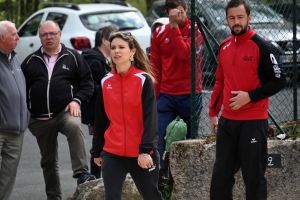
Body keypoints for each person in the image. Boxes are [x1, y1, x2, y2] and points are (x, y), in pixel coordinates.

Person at [208, 0, 286, 199]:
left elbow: (279, 79)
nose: (236, 22)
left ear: (249, 18)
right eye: (232, 18)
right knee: (220, 176)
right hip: (227, 123)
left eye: (240, 17)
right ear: (226, 19)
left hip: (253, 122)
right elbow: (219, 81)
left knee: (254, 176)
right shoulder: (224, 46)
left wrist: (250, 96)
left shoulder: (262, 46)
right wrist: (213, 112)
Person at [21, 20, 96, 199]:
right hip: (39, 118)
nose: (48, 37)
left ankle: (82, 173)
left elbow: (88, 84)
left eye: (52, 33)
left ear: (60, 34)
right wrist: (26, 113)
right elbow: (20, 90)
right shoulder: (31, 61)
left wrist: (77, 100)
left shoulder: (74, 57)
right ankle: (54, 196)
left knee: (73, 125)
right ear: (40, 38)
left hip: (65, 112)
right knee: (48, 160)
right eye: (44, 34)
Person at [90, 31, 163, 200]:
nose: (116, 51)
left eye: (121, 47)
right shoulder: (105, 81)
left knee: (151, 196)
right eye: (113, 47)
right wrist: (96, 150)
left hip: (140, 152)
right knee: (112, 196)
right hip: (112, 153)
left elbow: (151, 118)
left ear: (132, 52)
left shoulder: (143, 80)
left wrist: (146, 150)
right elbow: (100, 119)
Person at [150, 0, 204, 165]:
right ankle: (160, 178)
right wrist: (155, 97)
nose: (178, 16)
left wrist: (174, 28)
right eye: (173, 13)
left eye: (180, 11)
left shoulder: (196, 30)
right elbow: (155, 67)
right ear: (168, 13)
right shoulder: (159, 33)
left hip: (191, 94)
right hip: (166, 95)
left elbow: (184, 56)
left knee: (187, 140)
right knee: (160, 139)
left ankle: (186, 176)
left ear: (187, 9)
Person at [81, 24, 118, 179]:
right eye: (113, 40)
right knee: (101, 145)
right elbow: (90, 86)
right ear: (104, 41)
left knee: (106, 144)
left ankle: (104, 178)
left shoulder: (106, 59)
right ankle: (95, 179)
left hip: (107, 109)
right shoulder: (94, 61)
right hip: (98, 111)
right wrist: (109, 88)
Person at [0, 20, 30, 200]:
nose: (18, 37)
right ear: (2, 37)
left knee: (8, 176)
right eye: (14, 34)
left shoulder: (14, 58)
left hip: (16, 130)